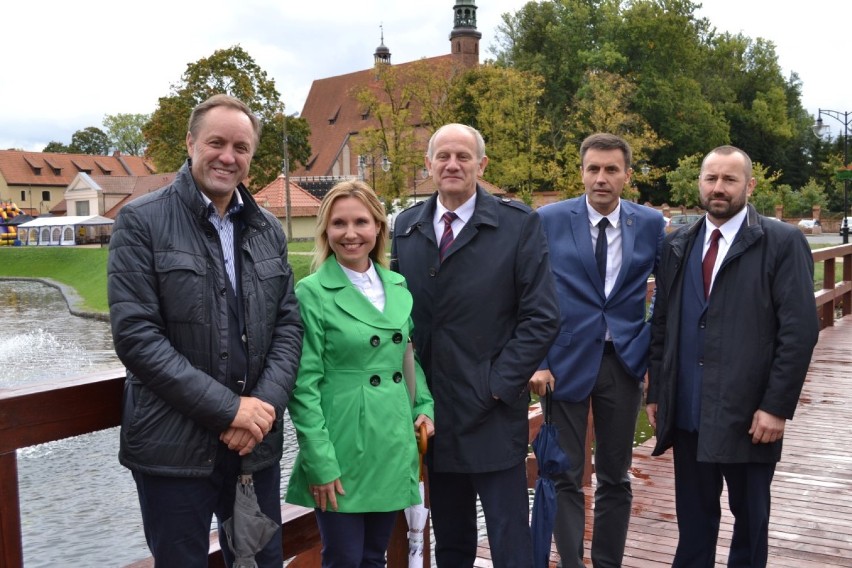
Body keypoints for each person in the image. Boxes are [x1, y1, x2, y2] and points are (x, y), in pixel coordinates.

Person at [107, 94, 303, 567]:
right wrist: (229, 411)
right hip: (173, 450)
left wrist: (260, 412)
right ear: (191, 141)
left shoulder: (266, 229)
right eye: (216, 142)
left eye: (241, 147)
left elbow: (288, 324)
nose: (228, 157)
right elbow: (137, 337)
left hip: (252, 450)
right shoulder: (142, 222)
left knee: (260, 562)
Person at [391, 123, 559, 567]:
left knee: (509, 541)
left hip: (492, 410)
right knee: (451, 539)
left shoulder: (517, 224)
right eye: (443, 156)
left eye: (463, 157)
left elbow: (542, 317)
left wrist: (498, 385)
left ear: (481, 166)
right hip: (434, 414)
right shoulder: (406, 228)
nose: (452, 164)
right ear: (428, 165)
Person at [646, 145, 819, 567]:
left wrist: (775, 406)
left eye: (729, 179)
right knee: (694, 522)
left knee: (750, 522)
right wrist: (657, 391)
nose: (718, 188)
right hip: (688, 410)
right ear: (700, 183)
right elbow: (663, 323)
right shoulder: (679, 244)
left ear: (749, 185)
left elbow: (799, 332)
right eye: (711, 179)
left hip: (750, 415)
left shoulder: (781, 241)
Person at [529, 133, 666, 567]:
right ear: (581, 172)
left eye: (611, 169)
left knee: (615, 476)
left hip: (622, 363)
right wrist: (539, 359)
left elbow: (666, 290)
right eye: (593, 169)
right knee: (566, 474)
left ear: (627, 174)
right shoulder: (549, 219)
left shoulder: (649, 223)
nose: (601, 178)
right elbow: (528, 292)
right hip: (564, 362)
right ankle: (571, 562)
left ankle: (607, 562)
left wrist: (647, 343)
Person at [285, 180, 435, 566]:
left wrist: (424, 405)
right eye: (338, 224)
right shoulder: (312, 292)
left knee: (374, 557)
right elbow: (303, 385)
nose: (350, 234)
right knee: (344, 559)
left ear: (379, 228)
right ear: (325, 230)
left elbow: (407, 355)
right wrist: (319, 459)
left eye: (361, 222)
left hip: (391, 438)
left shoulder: (397, 285)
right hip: (341, 443)